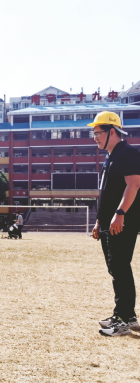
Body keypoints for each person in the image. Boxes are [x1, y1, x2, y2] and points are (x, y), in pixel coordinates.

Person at [88, 112, 140, 337]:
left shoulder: (127, 153)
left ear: (112, 131)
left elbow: (134, 184)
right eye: (93, 134)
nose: (95, 138)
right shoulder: (112, 156)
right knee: (116, 267)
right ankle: (127, 316)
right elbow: (107, 193)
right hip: (109, 222)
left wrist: (120, 213)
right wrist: (99, 221)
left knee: (119, 266)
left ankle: (123, 319)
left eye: (98, 133)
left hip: (123, 221)